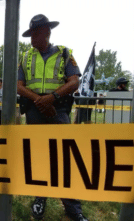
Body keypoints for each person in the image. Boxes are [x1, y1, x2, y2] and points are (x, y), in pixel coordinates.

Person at [17, 14, 88, 221]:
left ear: (47, 32)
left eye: (35, 33)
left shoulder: (65, 53)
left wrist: (52, 98)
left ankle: (73, 207)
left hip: (58, 111)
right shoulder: (26, 56)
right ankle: (40, 198)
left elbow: (74, 82)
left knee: (65, 157)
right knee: (38, 156)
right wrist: (40, 101)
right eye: (30, 35)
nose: (32, 39)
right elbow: (19, 86)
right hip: (34, 111)